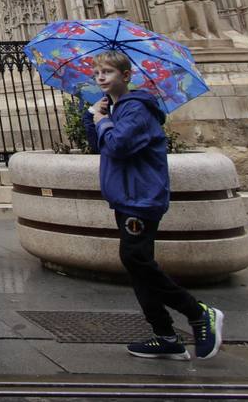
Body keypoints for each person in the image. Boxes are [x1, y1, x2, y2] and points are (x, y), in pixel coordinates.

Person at [81, 51, 223, 362]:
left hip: (141, 196)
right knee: (137, 263)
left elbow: (119, 145)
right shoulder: (117, 110)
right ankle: (165, 335)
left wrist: (104, 121)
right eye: (98, 73)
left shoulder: (137, 110)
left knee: (136, 259)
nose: (101, 78)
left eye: (108, 72)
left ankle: (198, 312)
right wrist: (93, 117)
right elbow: (100, 147)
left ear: (126, 75)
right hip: (126, 196)